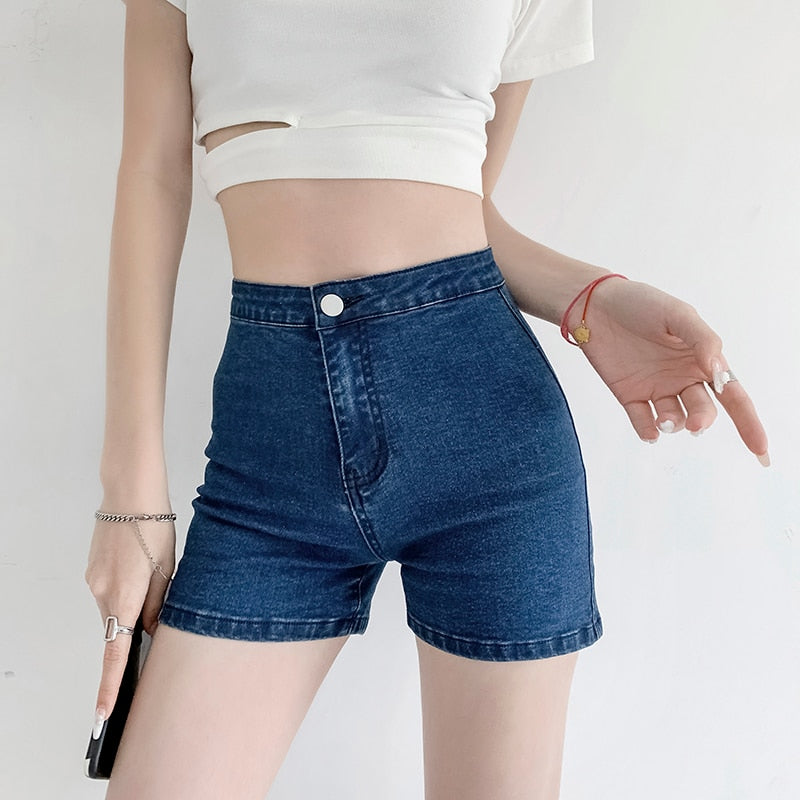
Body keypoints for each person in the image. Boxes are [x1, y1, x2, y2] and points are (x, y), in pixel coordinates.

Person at [84, 0, 770, 798]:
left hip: (490, 441)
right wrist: (128, 497)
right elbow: (153, 174)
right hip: (268, 461)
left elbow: (465, 206)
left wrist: (589, 297)